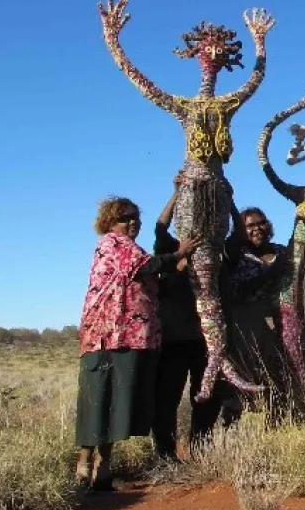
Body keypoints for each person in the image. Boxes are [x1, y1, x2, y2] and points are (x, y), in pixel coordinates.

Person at [77, 196, 196, 491]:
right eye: (124, 218)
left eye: (134, 217)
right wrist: (180, 252)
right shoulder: (112, 244)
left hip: (129, 339)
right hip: (107, 337)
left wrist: (178, 266)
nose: (132, 222)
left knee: (116, 404)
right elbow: (146, 266)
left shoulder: (133, 249)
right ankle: (83, 468)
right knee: (98, 402)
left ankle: (103, 471)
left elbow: (154, 279)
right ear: (109, 223)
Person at [151, 177, 222, 461]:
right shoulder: (169, 248)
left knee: (207, 396)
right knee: (167, 397)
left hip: (206, 338)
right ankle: (166, 455)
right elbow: (159, 225)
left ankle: (200, 448)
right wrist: (177, 192)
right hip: (173, 337)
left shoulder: (214, 251)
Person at [223, 206, 291, 426]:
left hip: (280, 323)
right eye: (250, 225)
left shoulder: (281, 252)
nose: (257, 229)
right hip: (245, 323)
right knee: (241, 377)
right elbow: (236, 292)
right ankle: (232, 429)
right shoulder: (236, 256)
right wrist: (271, 272)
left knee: (277, 376)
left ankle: (276, 429)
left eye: (260, 223)